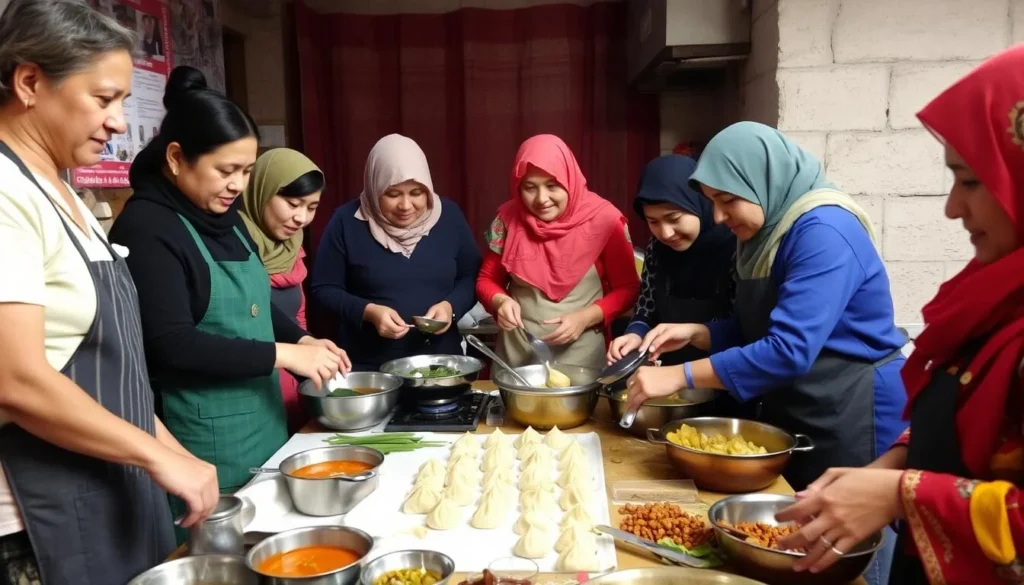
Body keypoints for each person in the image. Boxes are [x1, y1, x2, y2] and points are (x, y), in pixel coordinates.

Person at [774, 45, 1024, 585]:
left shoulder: (823, 233)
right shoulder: (997, 297)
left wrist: (901, 493)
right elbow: (969, 418)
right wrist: (891, 468)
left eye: (972, 180)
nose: (952, 207)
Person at [624, 122, 908, 585]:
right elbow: (758, 325)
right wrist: (700, 334)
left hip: (854, 415)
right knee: (804, 552)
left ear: (762, 179)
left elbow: (789, 349)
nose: (717, 217)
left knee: (850, 560)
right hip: (803, 408)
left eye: (726, 201)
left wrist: (681, 376)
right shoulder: (765, 235)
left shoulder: (824, 230)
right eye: (713, 202)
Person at [0, 2, 217, 584]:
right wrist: (154, 456)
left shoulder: (64, 193)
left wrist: (177, 453)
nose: (121, 123)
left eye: (123, 101)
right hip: (37, 519)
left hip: (111, 488)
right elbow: (15, 379)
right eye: (104, 99)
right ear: (29, 82)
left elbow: (110, 376)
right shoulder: (4, 192)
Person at [109, 66, 349, 538]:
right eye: (225, 170)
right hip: (202, 440)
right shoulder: (149, 228)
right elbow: (170, 343)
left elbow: (254, 304)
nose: (237, 185)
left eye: (245, 171)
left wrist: (302, 336)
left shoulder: (227, 217)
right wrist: (285, 355)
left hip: (262, 421)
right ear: (177, 158)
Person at [311, 134, 481, 371]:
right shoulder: (345, 222)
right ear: (374, 187)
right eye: (392, 194)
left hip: (440, 364)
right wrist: (367, 312)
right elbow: (324, 289)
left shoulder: (449, 216)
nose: (405, 206)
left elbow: (471, 277)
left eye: (416, 193)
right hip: (369, 370)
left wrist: (451, 307)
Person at [476, 134, 640, 370]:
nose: (542, 199)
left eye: (552, 186)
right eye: (529, 188)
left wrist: (585, 318)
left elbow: (629, 288)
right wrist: (500, 301)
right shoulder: (507, 220)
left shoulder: (606, 220)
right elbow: (487, 280)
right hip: (517, 354)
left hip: (582, 356)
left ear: (569, 180)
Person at [608, 154, 735, 366]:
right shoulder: (657, 249)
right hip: (668, 378)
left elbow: (745, 330)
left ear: (699, 202)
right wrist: (635, 334)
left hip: (723, 375)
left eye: (674, 218)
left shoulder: (734, 248)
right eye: (653, 221)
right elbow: (646, 309)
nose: (665, 233)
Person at [240, 148, 324, 432]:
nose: (301, 218)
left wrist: (312, 350)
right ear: (262, 191)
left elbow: (297, 318)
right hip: (249, 387)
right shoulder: (234, 245)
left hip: (290, 382)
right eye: (292, 203)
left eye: (311, 207)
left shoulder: (291, 248)